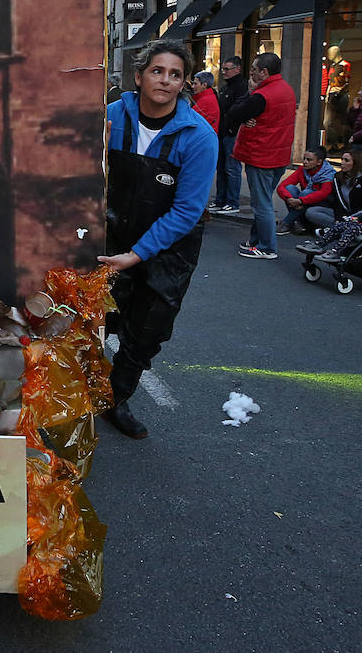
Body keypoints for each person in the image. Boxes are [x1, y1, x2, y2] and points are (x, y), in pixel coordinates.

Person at [98, 40, 217, 440]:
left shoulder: (199, 136)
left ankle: (116, 399)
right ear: (139, 76)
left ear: (183, 84)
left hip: (169, 250)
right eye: (157, 71)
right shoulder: (110, 118)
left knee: (146, 332)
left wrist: (137, 255)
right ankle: (82, 392)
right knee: (95, 319)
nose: (165, 80)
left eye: (175, 74)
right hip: (113, 235)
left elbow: (187, 210)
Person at [227, 52, 297, 259]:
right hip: (278, 153)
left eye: (254, 71)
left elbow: (234, 112)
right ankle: (257, 241)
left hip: (262, 154)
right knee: (264, 201)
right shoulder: (286, 89)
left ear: (264, 72)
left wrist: (250, 94)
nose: (251, 75)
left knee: (262, 204)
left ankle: (267, 247)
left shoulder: (261, 95)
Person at [210, 56, 249, 215]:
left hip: (231, 133)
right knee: (222, 168)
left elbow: (239, 110)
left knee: (231, 168)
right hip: (222, 132)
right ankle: (221, 200)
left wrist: (233, 129)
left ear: (237, 69)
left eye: (227, 69)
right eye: (223, 69)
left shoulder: (241, 87)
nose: (224, 72)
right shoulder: (226, 87)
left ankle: (232, 202)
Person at [305, 147, 362, 231]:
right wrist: (340, 218)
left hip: (360, 217)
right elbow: (338, 202)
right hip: (343, 215)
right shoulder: (338, 177)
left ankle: (340, 229)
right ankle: (341, 229)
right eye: (341, 159)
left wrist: (351, 218)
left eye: (346, 160)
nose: (342, 163)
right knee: (311, 212)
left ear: (356, 163)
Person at [275, 146, 335, 235]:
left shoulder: (328, 174)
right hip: (302, 203)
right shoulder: (302, 170)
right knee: (290, 188)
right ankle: (298, 222)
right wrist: (289, 199)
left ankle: (287, 222)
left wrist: (300, 201)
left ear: (319, 162)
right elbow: (282, 187)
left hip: (322, 205)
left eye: (309, 160)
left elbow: (323, 194)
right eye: (304, 159)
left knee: (306, 193)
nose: (304, 162)